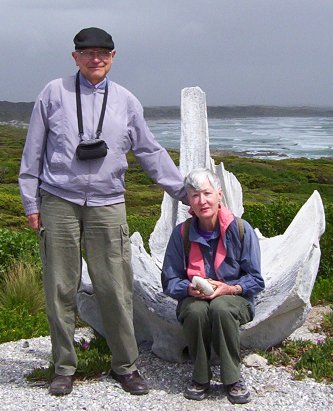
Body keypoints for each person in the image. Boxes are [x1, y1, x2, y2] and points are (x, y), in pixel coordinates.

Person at [19, 27, 188, 397]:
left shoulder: (126, 100)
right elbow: (32, 152)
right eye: (87, 52)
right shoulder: (53, 93)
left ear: (113, 57)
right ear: (75, 57)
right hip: (58, 201)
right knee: (60, 288)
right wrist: (31, 202)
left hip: (108, 204)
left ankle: (125, 366)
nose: (95, 58)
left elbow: (149, 151)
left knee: (115, 288)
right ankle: (63, 366)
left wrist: (184, 191)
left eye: (103, 53)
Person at [161, 168, 265, 404]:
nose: (202, 201)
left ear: (219, 195)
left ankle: (232, 378)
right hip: (194, 299)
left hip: (235, 299)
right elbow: (169, 280)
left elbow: (256, 280)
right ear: (189, 201)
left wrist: (228, 288)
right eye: (195, 195)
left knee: (220, 307)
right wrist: (188, 289)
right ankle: (200, 377)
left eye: (207, 193)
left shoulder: (240, 229)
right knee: (197, 311)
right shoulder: (182, 234)